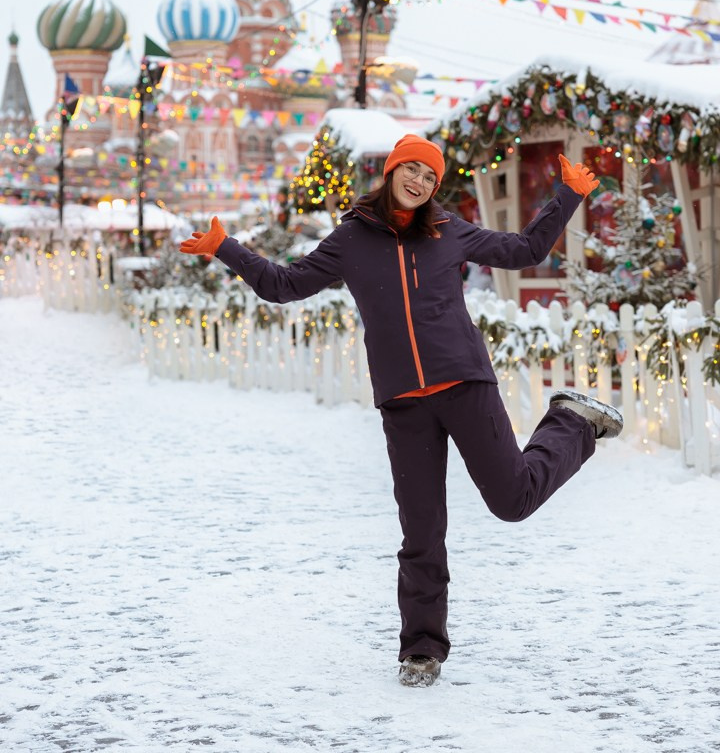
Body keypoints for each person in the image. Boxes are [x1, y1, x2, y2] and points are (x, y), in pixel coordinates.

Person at [179, 135, 622, 688]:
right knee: (421, 530)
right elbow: (283, 284)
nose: (419, 181)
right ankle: (421, 649)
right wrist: (226, 247)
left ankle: (572, 422)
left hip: (465, 384)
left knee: (512, 501)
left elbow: (524, 251)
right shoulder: (350, 240)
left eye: (430, 177)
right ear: (390, 172)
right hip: (403, 403)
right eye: (411, 169)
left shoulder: (449, 231)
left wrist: (566, 197)